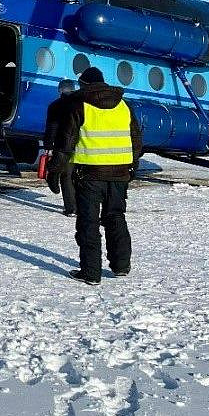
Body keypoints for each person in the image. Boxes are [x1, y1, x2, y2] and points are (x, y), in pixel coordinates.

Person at [48, 67, 143, 286]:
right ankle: (121, 266)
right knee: (115, 217)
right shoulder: (123, 105)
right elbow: (136, 140)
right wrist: (132, 167)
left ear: (83, 85)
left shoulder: (79, 106)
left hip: (90, 175)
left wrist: (55, 171)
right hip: (119, 174)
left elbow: (65, 144)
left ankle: (91, 272)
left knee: (88, 223)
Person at [43, 78, 80, 216]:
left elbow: (52, 127)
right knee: (76, 176)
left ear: (60, 90)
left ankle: (71, 208)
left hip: (63, 146)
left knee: (66, 175)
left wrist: (48, 144)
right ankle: (79, 205)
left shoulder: (55, 106)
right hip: (81, 145)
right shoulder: (81, 105)